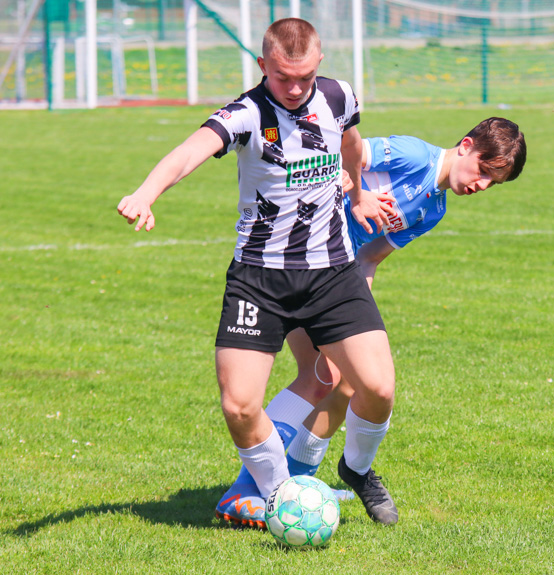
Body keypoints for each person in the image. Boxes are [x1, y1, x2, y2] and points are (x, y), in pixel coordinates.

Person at [117, 18, 402, 527]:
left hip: (332, 273)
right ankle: (280, 496)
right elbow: (189, 152)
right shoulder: (246, 114)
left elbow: (352, 145)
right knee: (240, 406)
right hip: (259, 278)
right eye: (282, 77)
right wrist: (146, 192)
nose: (294, 89)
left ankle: (356, 470)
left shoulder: (338, 97)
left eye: (304, 77)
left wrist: (359, 194)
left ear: (319, 66)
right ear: (262, 65)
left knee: (378, 388)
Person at [214, 118, 527, 529]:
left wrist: (356, 317)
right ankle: (248, 489)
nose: (482, 185)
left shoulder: (434, 209)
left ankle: (294, 483)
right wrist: (344, 181)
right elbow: (350, 151)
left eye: (494, 183)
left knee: (340, 381)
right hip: (296, 256)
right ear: (466, 146)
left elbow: (370, 257)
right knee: (321, 379)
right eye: (485, 172)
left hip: (336, 278)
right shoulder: (414, 156)